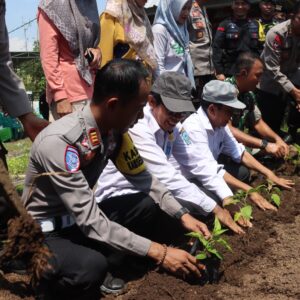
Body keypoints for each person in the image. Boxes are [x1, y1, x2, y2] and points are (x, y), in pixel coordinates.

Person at [21, 60, 211, 299]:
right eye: (138, 108)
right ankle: (41, 275)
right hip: (45, 233)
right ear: (113, 105)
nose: (142, 116)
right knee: (91, 268)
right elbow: (91, 221)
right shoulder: (61, 143)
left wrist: (182, 214)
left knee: (144, 205)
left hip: (76, 223)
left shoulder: (113, 134)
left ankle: (109, 260)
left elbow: (145, 180)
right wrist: (160, 253)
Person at [96, 72, 246, 235]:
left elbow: (198, 162)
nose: (177, 117)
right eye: (172, 111)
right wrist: (215, 209)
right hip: (122, 198)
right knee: (165, 206)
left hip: (153, 192)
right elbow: (166, 177)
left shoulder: (175, 128)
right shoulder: (138, 127)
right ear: (152, 102)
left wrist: (226, 197)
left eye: (181, 112)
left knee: (208, 197)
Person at [181, 81, 294, 212]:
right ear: (212, 109)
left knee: (243, 173)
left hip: (209, 173)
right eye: (229, 111)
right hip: (190, 178)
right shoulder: (192, 129)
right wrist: (249, 190)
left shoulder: (220, 124)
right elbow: (210, 171)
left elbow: (239, 153)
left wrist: (269, 173)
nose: (231, 117)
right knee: (212, 198)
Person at [38, 0, 102, 120]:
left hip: (92, 90)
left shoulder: (89, 4)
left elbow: (90, 43)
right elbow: (48, 56)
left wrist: (97, 51)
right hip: (69, 97)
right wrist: (60, 96)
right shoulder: (51, 5)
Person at [226, 52, 289, 158]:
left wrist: (277, 140)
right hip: (221, 147)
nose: (259, 81)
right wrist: (265, 144)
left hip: (237, 146)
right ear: (243, 73)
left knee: (276, 153)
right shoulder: (224, 92)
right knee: (244, 172)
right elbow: (228, 130)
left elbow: (258, 122)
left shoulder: (248, 95)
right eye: (257, 75)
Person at [255, 2, 300, 140]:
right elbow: (272, 68)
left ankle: (290, 140)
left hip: (293, 80)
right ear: (292, 17)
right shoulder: (276, 34)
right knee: (269, 125)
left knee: (292, 119)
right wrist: (294, 91)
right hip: (270, 86)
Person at [99, 0, 157, 73]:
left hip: (143, 81)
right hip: (121, 82)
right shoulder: (110, 17)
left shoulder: (142, 18)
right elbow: (103, 66)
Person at [212, 0, 259, 80]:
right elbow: (217, 48)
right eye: (237, 4)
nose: (240, 6)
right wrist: (219, 72)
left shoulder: (255, 24)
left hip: (251, 70)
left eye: (243, 4)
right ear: (232, 6)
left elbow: (260, 48)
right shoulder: (224, 24)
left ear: (248, 6)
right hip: (231, 72)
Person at [152, 0, 195, 86]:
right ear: (171, 7)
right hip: (168, 89)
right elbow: (157, 65)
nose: (186, 13)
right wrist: (167, 90)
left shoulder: (182, 28)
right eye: (183, 8)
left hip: (182, 87)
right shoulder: (160, 30)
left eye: (189, 8)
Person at [187, 0, 214, 99]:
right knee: (198, 101)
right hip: (196, 68)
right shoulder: (188, 7)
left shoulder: (203, 7)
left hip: (209, 67)